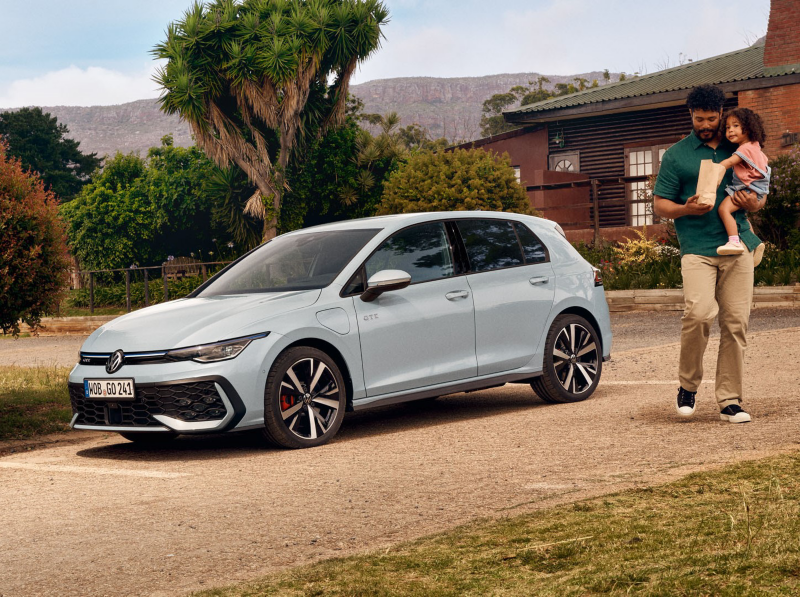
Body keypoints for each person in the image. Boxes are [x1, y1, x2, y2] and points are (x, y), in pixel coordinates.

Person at [653, 84, 766, 424]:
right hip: (697, 250)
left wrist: (754, 204)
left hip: (737, 245)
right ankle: (688, 385)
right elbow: (660, 205)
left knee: (735, 324)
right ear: (691, 115)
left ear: (721, 114)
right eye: (699, 119)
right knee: (699, 314)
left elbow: (759, 192)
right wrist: (685, 209)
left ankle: (730, 400)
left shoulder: (741, 146)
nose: (706, 124)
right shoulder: (677, 155)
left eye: (711, 118)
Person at [716, 107, 769, 257]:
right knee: (742, 216)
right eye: (727, 127)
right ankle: (754, 244)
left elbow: (729, 162)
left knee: (724, 209)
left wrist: (715, 169)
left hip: (747, 189)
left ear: (748, 128)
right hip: (757, 189)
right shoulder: (755, 147)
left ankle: (734, 241)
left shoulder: (744, 149)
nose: (730, 131)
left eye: (736, 126)